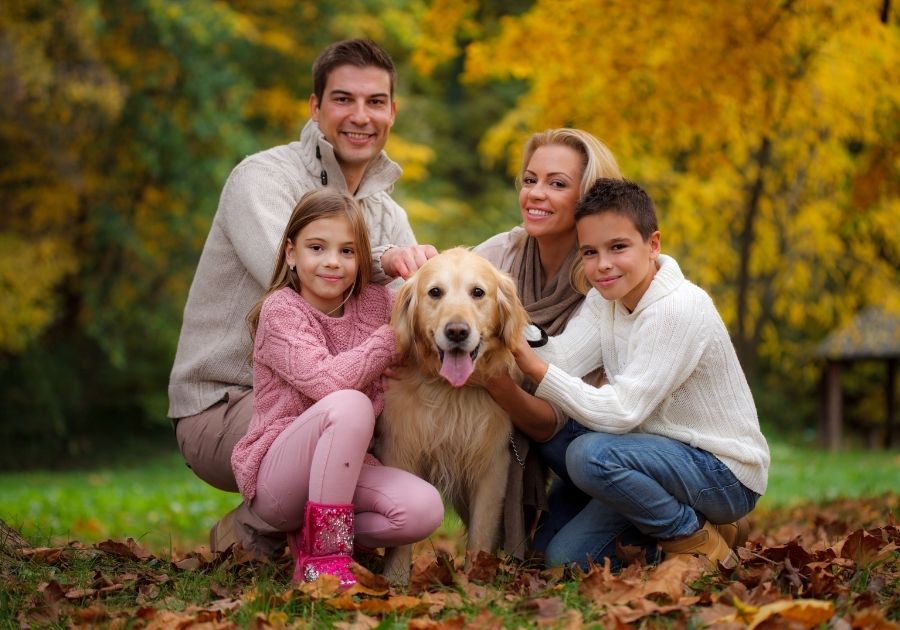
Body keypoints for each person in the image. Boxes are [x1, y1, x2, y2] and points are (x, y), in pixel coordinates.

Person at [168, 38, 437, 557]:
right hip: (228, 403)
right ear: (315, 108)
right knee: (352, 415)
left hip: (336, 399)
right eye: (343, 99)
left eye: (376, 102)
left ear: (392, 112)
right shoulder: (261, 179)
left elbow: (411, 318)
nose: (360, 116)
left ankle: (308, 539)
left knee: (395, 420)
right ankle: (260, 533)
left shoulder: (388, 213)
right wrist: (384, 262)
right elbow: (290, 275)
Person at [511, 178, 770, 569]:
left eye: (618, 247)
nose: (603, 265)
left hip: (722, 472)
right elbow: (564, 358)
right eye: (590, 252)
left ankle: (692, 535)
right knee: (556, 557)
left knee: (586, 455)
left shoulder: (676, 309)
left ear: (653, 244)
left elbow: (623, 412)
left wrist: (534, 367)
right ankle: (683, 519)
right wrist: (509, 330)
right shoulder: (607, 299)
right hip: (649, 456)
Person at [231, 188, 443, 587]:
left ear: (362, 258)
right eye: (317, 248)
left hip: (345, 469)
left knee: (424, 509)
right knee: (348, 403)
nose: (332, 262)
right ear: (291, 253)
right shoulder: (282, 310)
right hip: (278, 477)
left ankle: (324, 538)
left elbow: (422, 324)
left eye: (347, 251)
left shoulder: (378, 303)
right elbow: (331, 382)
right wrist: (390, 340)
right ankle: (324, 562)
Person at [472, 128, 622, 559]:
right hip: (556, 456)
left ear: (588, 198)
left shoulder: (604, 279)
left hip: (597, 450)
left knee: (568, 558)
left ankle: (685, 525)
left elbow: (551, 424)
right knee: (545, 558)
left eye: (557, 184)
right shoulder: (503, 253)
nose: (536, 194)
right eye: (529, 180)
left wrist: (496, 383)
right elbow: (440, 292)